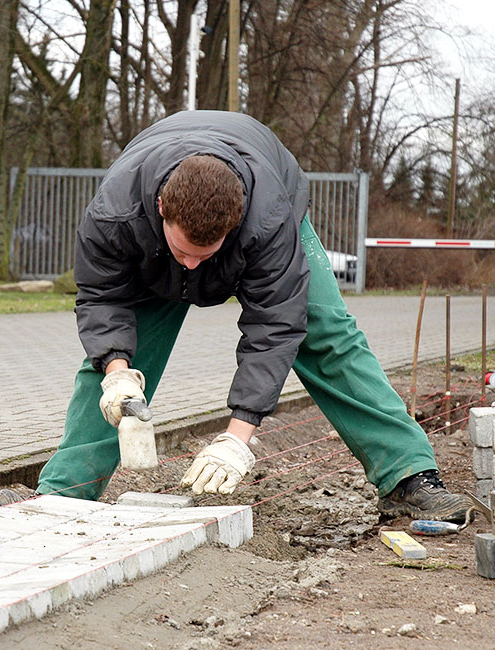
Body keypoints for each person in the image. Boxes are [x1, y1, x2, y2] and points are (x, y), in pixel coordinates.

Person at [34, 110, 470, 523]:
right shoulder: (114, 214)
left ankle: (408, 474)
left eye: (204, 255)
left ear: (235, 223)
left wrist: (237, 439)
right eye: (183, 252)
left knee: (326, 334)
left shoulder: (267, 223)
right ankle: (62, 493)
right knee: (114, 370)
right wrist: (116, 370)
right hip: (145, 245)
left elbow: (275, 328)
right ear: (162, 206)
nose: (191, 267)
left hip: (266, 194)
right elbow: (102, 298)